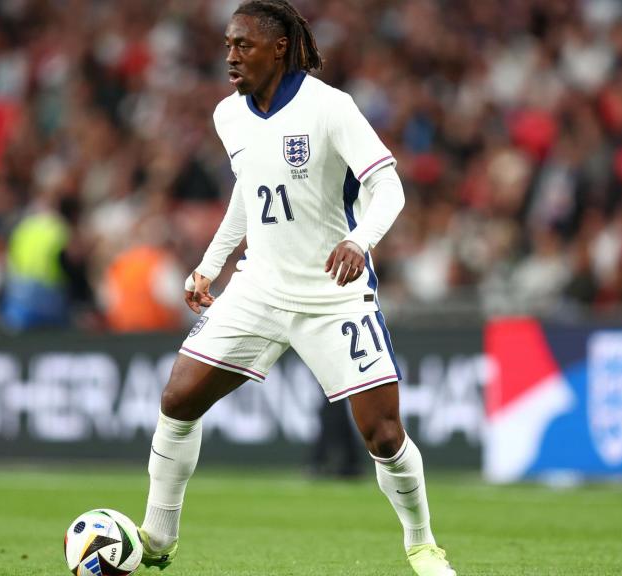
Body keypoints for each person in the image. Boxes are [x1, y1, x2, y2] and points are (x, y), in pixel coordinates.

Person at [137, 2, 456, 575]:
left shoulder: (331, 108)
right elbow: (248, 190)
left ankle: (422, 542)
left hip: (334, 293)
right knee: (177, 399)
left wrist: (360, 241)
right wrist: (211, 265)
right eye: (228, 45)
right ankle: (158, 536)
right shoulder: (228, 116)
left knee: (383, 434)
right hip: (259, 285)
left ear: (279, 47)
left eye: (244, 45)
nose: (231, 55)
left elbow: (389, 187)